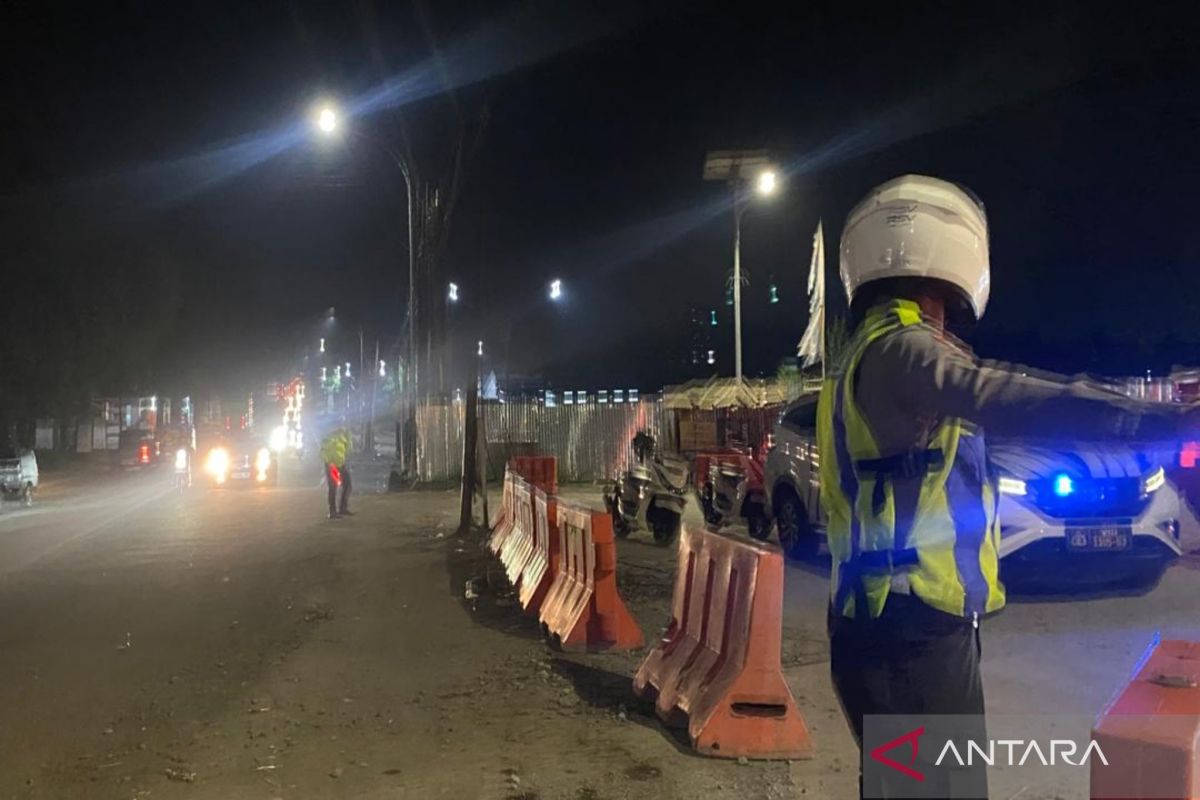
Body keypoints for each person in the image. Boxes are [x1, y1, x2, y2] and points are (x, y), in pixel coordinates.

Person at [819, 174, 1193, 799]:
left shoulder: (865, 354)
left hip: (882, 627)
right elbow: (1003, 393)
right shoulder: (906, 352)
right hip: (912, 636)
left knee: (903, 790)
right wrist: (1157, 419)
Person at [320, 425, 353, 519]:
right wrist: (328, 462)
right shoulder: (328, 437)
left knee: (347, 485)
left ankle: (343, 507)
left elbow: (348, 451)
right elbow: (322, 452)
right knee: (333, 488)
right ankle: (332, 512)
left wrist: (349, 438)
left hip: (341, 464)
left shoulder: (343, 437)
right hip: (332, 465)